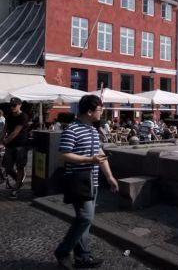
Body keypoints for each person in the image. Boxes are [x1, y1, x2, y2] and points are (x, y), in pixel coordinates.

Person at [54, 95, 118, 269]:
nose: (102, 112)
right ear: (89, 111)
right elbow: (64, 154)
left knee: (86, 220)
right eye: (99, 109)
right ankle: (63, 251)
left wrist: (110, 177)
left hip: (93, 181)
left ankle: (83, 257)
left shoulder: (92, 130)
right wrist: (89, 160)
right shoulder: (72, 129)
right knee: (85, 218)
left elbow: (100, 155)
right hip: (77, 180)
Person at [2, 97, 29, 199]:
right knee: (8, 167)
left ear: (20, 105)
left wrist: (5, 141)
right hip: (10, 146)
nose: (12, 107)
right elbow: (5, 129)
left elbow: (16, 132)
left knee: (19, 167)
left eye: (14, 105)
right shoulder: (9, 115)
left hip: (20, 145)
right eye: (11, 105)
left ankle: (16, 189)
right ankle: (19, 180)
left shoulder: (23, 116)